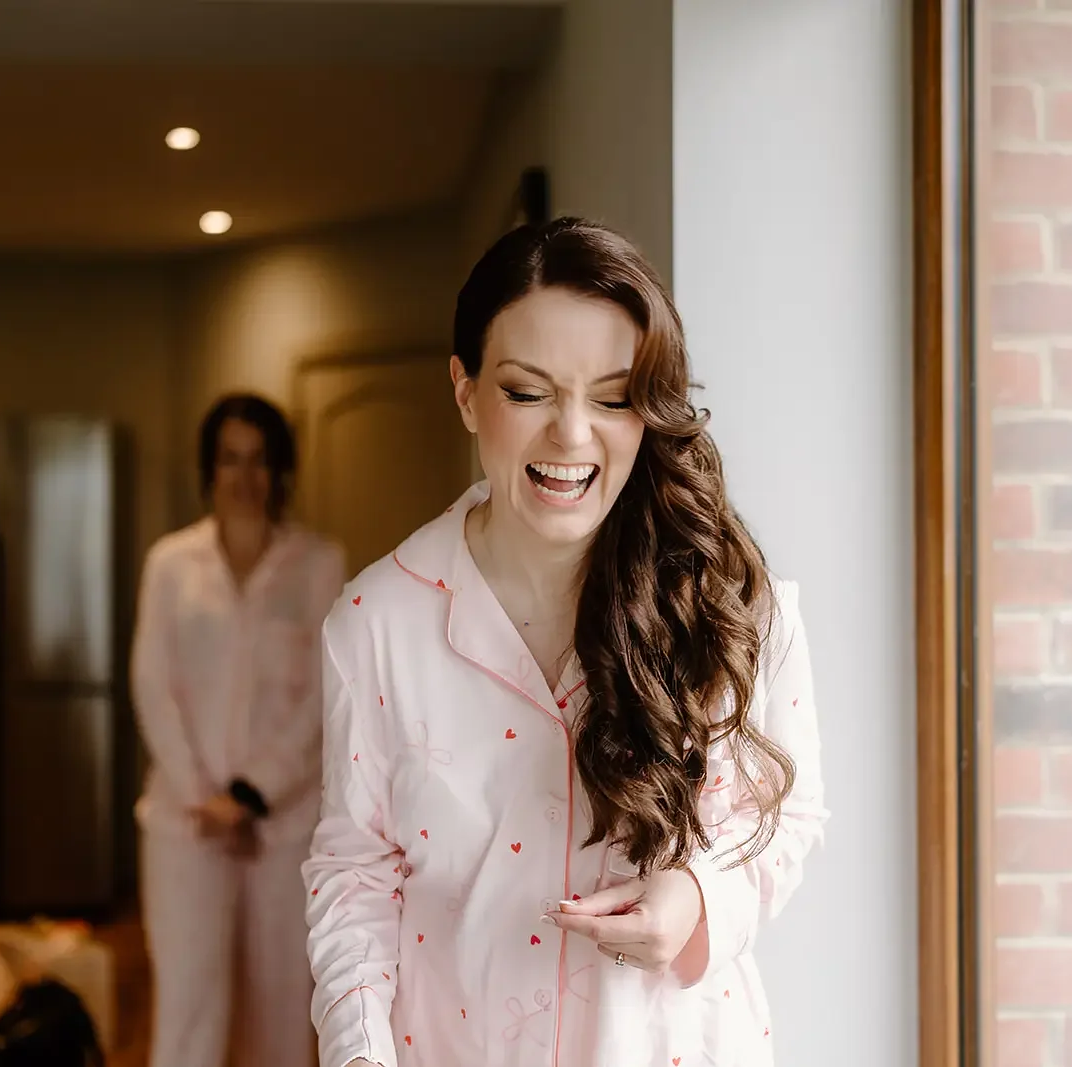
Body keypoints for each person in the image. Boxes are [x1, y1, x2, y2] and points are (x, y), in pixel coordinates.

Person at [303, 218, 828, 1067]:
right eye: (527, 391)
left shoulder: (733, 601)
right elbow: (355, 877)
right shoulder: (375, 625)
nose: (572, 435)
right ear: (466, 390)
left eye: (613, 397)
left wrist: (699, 899)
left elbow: (789, 814)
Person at [132, 393, 345, 1067]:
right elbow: (153, 683)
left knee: (281, 1008)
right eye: (230, 459)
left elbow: (322, 691)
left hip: (284, 829)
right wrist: (208, 798)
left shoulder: (318, 564)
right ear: (209, 469)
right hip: (186, 824)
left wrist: (252, 794)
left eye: (259, 460)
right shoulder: (171, 564)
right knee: (188, 1003)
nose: (244, 476)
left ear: (280, 470)